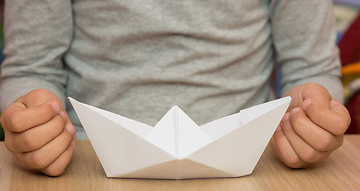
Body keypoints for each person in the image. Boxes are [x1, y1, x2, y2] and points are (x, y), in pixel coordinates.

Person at [0, 1, 350, 176]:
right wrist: (32, 116)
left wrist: (310, 115)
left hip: (250, 165)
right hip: (87, 165)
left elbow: (312, 68)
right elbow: (30, 68)